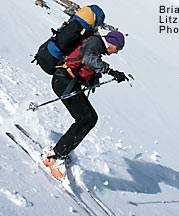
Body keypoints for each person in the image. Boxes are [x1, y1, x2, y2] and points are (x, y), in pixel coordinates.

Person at [43, 31, 128, 180]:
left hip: (67, 82)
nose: (116, 53)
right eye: (117, 49)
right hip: (63, 82)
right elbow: (89, 59)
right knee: (85, 119)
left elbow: (84, 61)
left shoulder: (95, 45)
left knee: (91, 118)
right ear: (112, 43)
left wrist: (91, 78)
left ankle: (60, 151)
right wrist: (111, 71)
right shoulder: (95, 42)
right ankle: (54, 156)